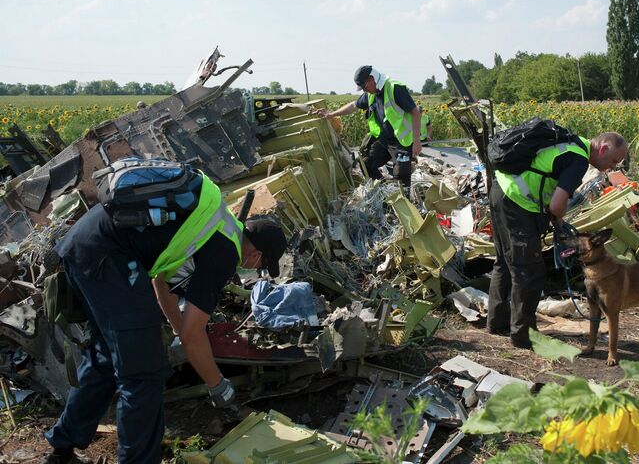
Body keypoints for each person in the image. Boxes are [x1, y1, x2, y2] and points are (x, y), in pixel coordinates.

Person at [41, 174, 288, 463]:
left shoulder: (217, 224)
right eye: (261, 265)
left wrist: (176, 330)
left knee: (106, 356)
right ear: (256, 255)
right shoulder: (224, 251)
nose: (255, 270)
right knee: (143, 373)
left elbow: (161, 281)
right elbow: (194, 334)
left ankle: (62, 450)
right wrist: (218, 385)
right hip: (111, 256)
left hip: (86, 242)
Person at [487, 131, 628, 349]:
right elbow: (556, 205)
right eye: (612, 160)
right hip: (517, 202)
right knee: (529, 271)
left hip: (501, 190)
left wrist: (553, 217)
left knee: (504, 261)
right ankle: (523, 336)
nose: (611, 167)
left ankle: (497, 322)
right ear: (603, 149)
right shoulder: (578, 159)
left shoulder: (569, 141)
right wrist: (557, 218)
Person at [319, 66, 421, 192]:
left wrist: (417, 141)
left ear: (372, 79)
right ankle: (384, 191)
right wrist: (332, 114)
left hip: (402, 143)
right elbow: (353, 106)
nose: (364, 90)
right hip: (385, 140)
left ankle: (403, 203)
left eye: (364, 86)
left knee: (401, 180)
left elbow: (415, 113)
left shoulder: (395, 88)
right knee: (366, 163)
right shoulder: (370, 95)